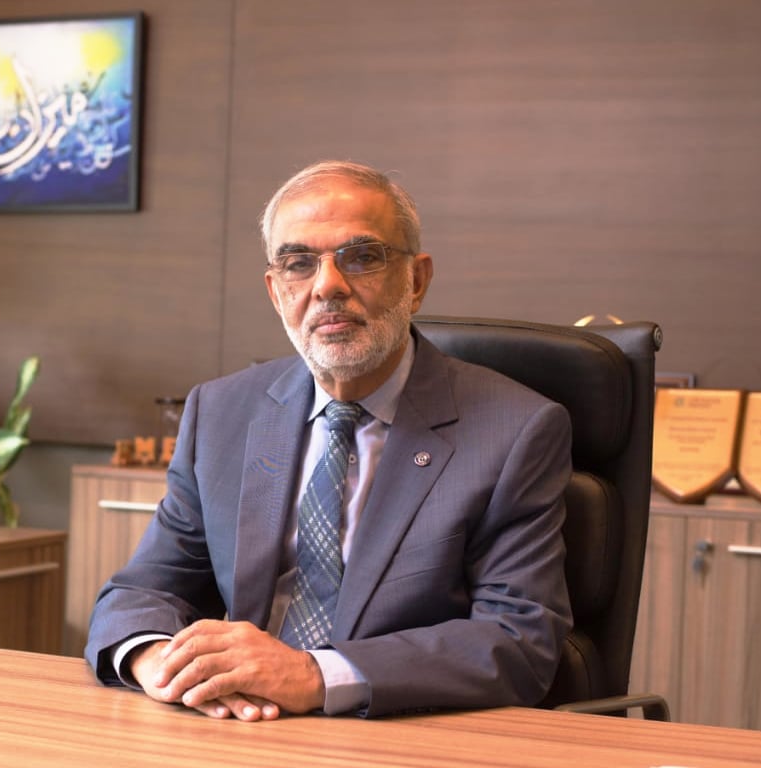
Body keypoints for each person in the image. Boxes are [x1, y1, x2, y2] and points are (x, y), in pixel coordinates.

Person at [85, 160, 573, 721]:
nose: (327, 287)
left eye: (362, 257)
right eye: (298, 263)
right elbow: (142, 590)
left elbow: (518, 640)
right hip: (232, 727)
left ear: (416, 280)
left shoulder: (514, 429)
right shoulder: (220, 412)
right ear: (275, 291)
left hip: (398, 735)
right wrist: (156, 660)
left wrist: (315, 675)